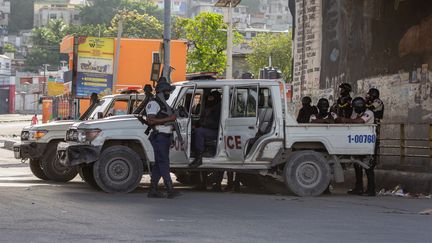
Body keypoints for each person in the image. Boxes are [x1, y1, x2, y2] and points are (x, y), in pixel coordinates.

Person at [146, 79, 181, 199]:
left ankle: (153, 189)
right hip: (159, 136)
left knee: (159, 164)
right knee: (164, 162)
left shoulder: (163, 104)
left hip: (164, 137)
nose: (168, 94)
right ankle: (169, 189)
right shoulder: (154, 104)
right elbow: (150, 120)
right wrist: (169, 118)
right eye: (167, 92)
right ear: (161, 92)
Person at [336, 97, 376, 196]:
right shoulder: (355, 113)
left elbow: (360, 121)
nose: (354, 109)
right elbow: (353, 121)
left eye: (355, 107)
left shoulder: (369, 113)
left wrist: (345, 120)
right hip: (357, 142)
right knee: (357, 166)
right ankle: (359, 188)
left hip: (367, 142)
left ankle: (371, 190)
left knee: (368, 167)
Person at [188, 90, 222, 168]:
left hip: (217, 131)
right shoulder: (212, 107)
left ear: (215, 98)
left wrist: (202, 125)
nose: (209, 100)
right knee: (195, 131)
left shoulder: (218, 108)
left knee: (199, 132)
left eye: (211, 98)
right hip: (210, 129)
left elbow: (216, 124)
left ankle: (199, 158)